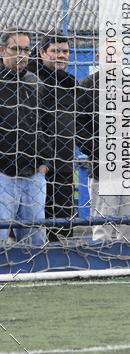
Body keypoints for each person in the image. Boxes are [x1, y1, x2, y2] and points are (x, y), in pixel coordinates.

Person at [78, 54, 130, 241]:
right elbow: (78, 124)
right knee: (102, 226)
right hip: (103, 167)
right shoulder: (88, 85)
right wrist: (100, 149)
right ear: (98, 56)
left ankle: (129, 265)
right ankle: (101, 267)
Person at [0, 30, 52, 246]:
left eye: (26, 49)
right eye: (16, 49)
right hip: (3, 174)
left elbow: (47, 125)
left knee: (35, 239)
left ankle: (34, 278)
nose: (22, 54)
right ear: (2, 50)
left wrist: (45, 162)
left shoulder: (35, 82)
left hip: (33, 173)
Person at [28, 34, 80, 241]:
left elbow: (82, 120)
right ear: (42, 53)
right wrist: (42, 159)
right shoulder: (29, 78)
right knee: (31, 223)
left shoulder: (70, 82)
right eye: (55, 51)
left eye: (65, 51)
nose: (61, 56)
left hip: (64, 164)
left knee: (62, 225)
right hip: (33, 165)